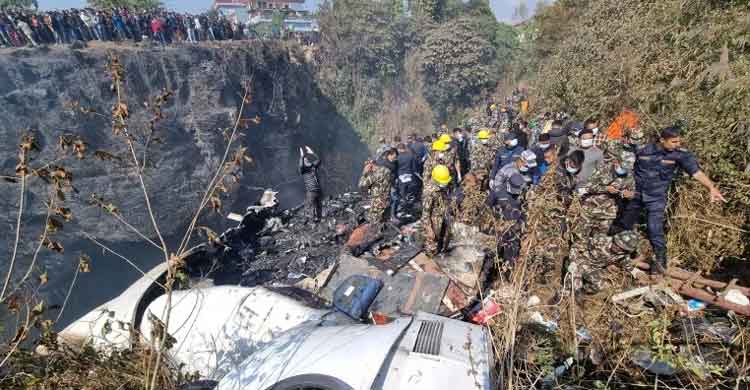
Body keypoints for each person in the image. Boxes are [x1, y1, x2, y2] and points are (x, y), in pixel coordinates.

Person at [613, 125, 725, 274]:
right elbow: (625, 165)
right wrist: (622, 186)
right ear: (662, 140)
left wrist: (711, 187)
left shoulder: (680, 155)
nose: (677, 144)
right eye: (674, 141)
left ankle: (660, 263)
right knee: (624, 224)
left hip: (656, 197)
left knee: (654, 229)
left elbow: (696, 173)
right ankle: (620, 256)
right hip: (636, 195)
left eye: (679, 141)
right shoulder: (643, 150)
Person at [568, 230, 640, 294]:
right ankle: (567, 292)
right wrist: (573, 261)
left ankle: (582, 292)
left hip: (594, 268)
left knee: (599, 286)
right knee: (573, 286)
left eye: (621, 248)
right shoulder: (601, 240)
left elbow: (628, 266)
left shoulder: (623, 255)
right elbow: (576, 246)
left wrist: (636, 273)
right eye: (616, 243)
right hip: (580, 262)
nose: (617, 247)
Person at [358, 148, 398, 228]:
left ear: (371, 165)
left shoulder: (375, 175)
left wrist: (364, 173)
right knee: (385, 223)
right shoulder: (386, 170)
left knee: (374, 225)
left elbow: (361, 184)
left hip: (378, 203)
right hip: (387, 200)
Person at [421, 165, 454, 257]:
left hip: (443, 214)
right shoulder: (429, 192)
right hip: (434, 220)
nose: (445, 184)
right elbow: (425, 214)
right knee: (432, 241)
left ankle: (441, 250)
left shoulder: (441, 186)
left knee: (444, 235)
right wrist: (429, 229)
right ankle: (431, 256)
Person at [395, 142, 419, 220]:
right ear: (404, 148)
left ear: (399, 149)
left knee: (403, 195)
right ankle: (410, 211)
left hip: (401, 177)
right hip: (410, 176)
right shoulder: (411, 156)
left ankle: (404, 211)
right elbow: (414, 168)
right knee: (411, 195)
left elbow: (395, 168)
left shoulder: (397, 158)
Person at [298, 146, 322, 222]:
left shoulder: (313, 166)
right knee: (309, 207)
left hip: (318, 190)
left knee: (318, 206)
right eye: (305, 160)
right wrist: (302, 156)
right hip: (311, 192)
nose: (307, 160)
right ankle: (308, 222)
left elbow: (319, 160)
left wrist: (312, 152)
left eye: (307, 159)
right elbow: (301, 165)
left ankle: (319, 220)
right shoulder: (303, 170)